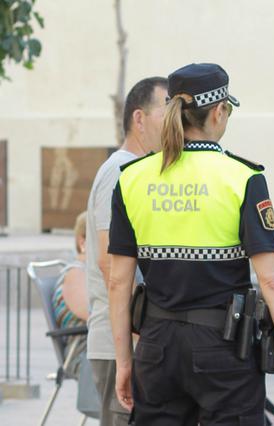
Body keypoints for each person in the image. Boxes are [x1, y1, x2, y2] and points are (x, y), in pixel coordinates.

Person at [107, 63, 274, 424]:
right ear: (219, 111)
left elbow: (119, 282)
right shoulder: (242, 178)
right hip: (224, 347)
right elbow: (272, 279)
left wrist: (124, 361)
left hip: (156, 348)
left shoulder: (133, 178)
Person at [85, 76, 168, 425]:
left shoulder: (139, 172)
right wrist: (137, 336)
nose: (177, 122)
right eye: (168, 110)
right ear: (139, 119)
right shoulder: (119, 171)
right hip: (120, 343)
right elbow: (110, 265)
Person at [53, 211, 89, 330]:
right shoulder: (76, 273)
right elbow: (92, 315)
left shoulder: (89, 271)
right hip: (86, 346)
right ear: (82, 242)